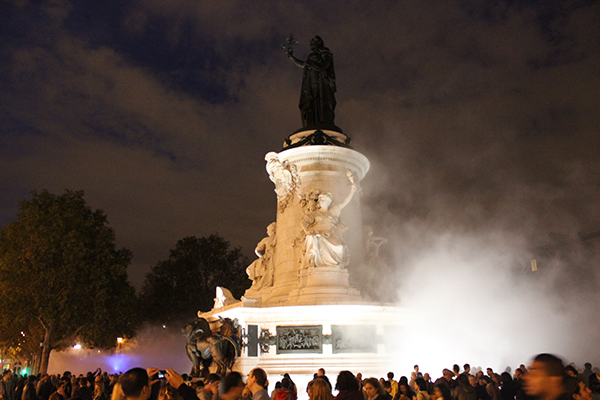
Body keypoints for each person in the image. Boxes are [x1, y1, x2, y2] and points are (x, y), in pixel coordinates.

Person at [301, 171, 357, 269]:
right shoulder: (314, 214)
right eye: (322, 200)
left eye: (326, 200)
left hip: (331, 234)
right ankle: (313, 265)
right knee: (312, 238)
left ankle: (335, 269)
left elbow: (345, 202)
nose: (323, 202)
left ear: (329, 202)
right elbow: (303, 222)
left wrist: (352, 190)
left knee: (339, 247)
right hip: (318, 234)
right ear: (319, 202)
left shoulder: (333, 211)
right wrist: (307, 230)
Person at [287, 35, 336, 128]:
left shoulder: (325, 53)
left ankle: (323, 121)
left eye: (314, 42)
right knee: (311, 102)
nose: (312, 45)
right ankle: (312, 123)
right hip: (310, 83)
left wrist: (317, 67)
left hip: (321, 83)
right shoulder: (311, 58)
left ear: (319, 43)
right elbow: (303, 64)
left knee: (321, 101)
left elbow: (325, 64)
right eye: (311, 43)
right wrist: (291, 57)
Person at [246, 223, 277, 290]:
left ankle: (257, 282)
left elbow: (257, 250)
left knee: (249, 270)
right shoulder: (279, 238)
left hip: (267, 258)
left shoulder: (266, 240)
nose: (267, 232)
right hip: (275, 258)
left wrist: (261, 257)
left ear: (272, 230)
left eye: (268, 230)